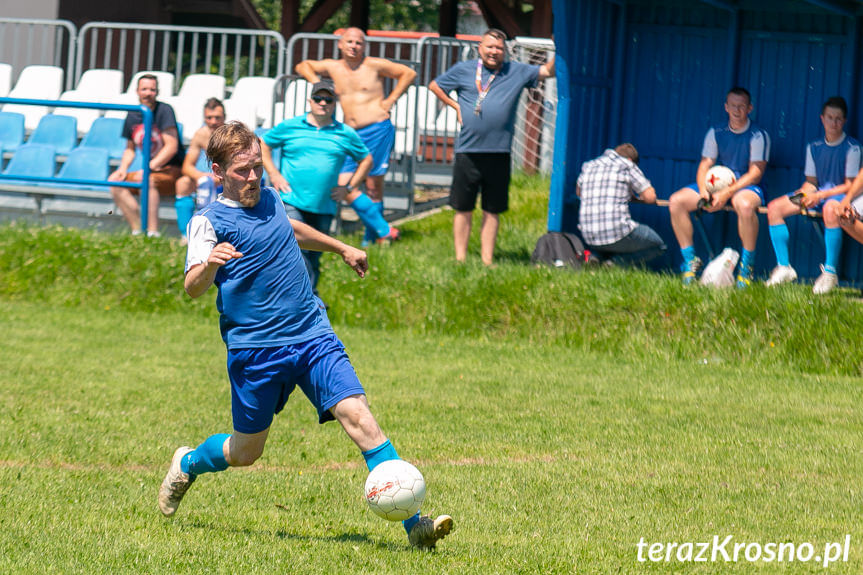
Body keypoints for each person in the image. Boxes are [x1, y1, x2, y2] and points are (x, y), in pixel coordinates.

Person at [158, 121, 453, 550]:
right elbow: (192, 287)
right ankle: (187, 462)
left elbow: (290, 231)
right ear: (218, 172)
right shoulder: (208, 221)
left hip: (312, 334)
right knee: (245, 453)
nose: (254, 176)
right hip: (255, 350)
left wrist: (341, 247)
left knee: (360, 418)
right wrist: (211, 264)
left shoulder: (272, 199)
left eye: (257, 166)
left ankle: (416, 527)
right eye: (242, 170)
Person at [429, 28, 555, 266]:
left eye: (499, 48)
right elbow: (435, 85)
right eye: (490, 47)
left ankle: (487, 260)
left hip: (499, 152)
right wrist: (455, 106)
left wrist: (561, 45)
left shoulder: (515, 71)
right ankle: (460, 260)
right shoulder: (463, 70)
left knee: (492, 209)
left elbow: (548, 71)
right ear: (480, 48)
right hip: (468, 151)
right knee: (463, 208)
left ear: (504, 51)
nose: (494, 52)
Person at [295, 27, 415, 244]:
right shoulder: (333, 66)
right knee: (341, 185)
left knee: (373, 186)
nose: (354, 46)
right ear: (340, 44)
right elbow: (303, 65)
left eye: (358, 42)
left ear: (364, 45)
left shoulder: (373, 65)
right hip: (350, 133)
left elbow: (408, 73)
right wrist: (316, 82)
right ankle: (383, 229)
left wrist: (390, 100)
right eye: (349, 41)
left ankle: (371, 240)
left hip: (377, 128)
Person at [261, 80, 376, 295]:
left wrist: (349, 188)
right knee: (296, 252)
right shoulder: (290, 126)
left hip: (324, 205)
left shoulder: (345, 133)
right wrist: (274, 174)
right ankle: (305, 300)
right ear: (310, 101)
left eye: (328, 99)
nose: (323, 103)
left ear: (335, 103)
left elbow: (367, 159)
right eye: (318, 98)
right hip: (291, 200)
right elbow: (262, 144)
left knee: (314, 257)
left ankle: (310, 300)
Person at [668, 87, 770, 287]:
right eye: (732, 105)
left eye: (741, 106)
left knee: (746, 206)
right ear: (726, 107)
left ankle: (746, 267)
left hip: (745, 186)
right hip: (715, 183)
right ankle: (690, 261)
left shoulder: (758, 135)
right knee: (676, 201)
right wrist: (704, 191)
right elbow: (705, 164)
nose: (736, 110)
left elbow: (756, 173)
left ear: (750, 108)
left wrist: (726, 193)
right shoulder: (716, 132)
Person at [764, 96, 860, 294]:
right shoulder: (813, 147)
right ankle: (784, 267)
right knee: (775, 208)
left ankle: (830, 273)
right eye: (830, 118)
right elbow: (811, 182)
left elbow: (850, 186)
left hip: (837, 196)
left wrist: (820, 195)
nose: (834, 123)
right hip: (818, 194)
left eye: (838, 119)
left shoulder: (852, 147)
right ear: (822, 119)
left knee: (830, 210)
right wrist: (806, 192)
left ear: (844, 121)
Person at [109, 74, 185, 237]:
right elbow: (130, 149)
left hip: (173, 170)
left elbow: (171, 147)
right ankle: (137, 229)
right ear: (137, 91)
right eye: (144, 89)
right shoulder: (133, 115)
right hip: (151, 170)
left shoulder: (165, 110)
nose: (148, 93)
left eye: (152, 89)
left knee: (145, 180)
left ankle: (152, 232)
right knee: (114, 181)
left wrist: (148, 168)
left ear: (157, 92)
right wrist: (122, 169)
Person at [576, 144, 666, 266]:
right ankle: (615, 263)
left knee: (608, 242)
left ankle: (596, 257)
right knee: (659, 246)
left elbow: (579, 192)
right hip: (617, 232)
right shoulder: (627, 165)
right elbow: (650, 197)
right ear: (630, 160)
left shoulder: (589, 165)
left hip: (588, 235)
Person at [174, 98, 227, 242]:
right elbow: (187, 166)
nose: (213, 122)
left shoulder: (231, 136)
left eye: (217, 117)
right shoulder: (201, 134)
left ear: (224, 118)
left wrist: (221, 177)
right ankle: (186, 234)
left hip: (229, 179)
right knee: (183, 183)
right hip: (209, 179)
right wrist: (202, 176)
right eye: (209, 118)